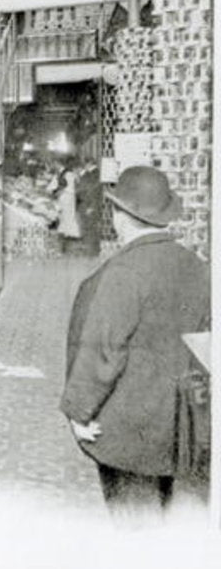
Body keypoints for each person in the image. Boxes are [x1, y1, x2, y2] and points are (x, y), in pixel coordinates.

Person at [60, 166, 209, 518]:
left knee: (134, 527)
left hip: (129, 431)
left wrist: (78, 412)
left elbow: (102, 351)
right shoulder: (196, 265)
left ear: (120, 216)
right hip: (182, 428)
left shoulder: (123, 272)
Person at [54, 161, 82, 251]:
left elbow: (64, 186)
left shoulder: (66, 174)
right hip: (70, 196)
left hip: (67, 196)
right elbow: (76, 184)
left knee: (66, 214)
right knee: (69, 214)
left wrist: (58, 193)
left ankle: (67, 233)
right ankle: (68, 232)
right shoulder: (72, 174)